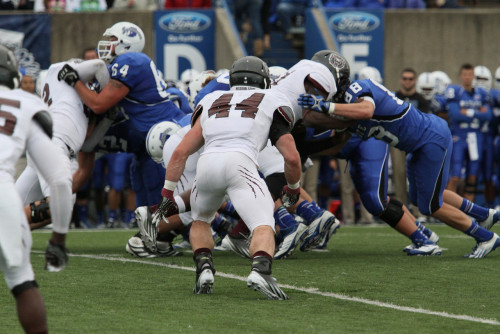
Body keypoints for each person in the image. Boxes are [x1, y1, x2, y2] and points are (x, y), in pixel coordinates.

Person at [297, 68, 500, 258]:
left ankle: (486, 237)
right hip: (418, 146)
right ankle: (484, 214)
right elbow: (341, 133)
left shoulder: (359, 89)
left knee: (431, 206)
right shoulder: (350, 109)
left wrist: (326, 106)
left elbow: (366, 111)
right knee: (420, 195)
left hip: (431, 139)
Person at [155, 56, 300, 299]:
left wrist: (168, 193)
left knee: (201, 219)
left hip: (207, 164)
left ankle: (204, 269)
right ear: (264, 80)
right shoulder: (272, 99)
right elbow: (292, 158)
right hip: (240, 164)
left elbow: (181, 152)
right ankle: (260, 270)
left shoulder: (211, 99)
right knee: (263, 224)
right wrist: (293, 188)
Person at [58, 21, 187, 208]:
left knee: (165, 202)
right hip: (145, 141)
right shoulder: (119, 65)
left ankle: (200, 230)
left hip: (162, 137)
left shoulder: (131, 61)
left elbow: (98, 104)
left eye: (112, 39)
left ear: (126, 43)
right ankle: (153, 236)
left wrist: (75, 81)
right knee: (144, 201)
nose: (107, 44)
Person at [0, 45, 72, 333]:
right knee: (21, 280)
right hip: (2, 195)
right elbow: (59, 180)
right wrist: (58, 238)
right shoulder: (26, 104)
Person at [16, 57, 109, 233]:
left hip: (44, 145)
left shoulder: (69, 95)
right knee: (60, 204)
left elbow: (87, 145)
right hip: (55, 145)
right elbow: (99, 65)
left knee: (11, 207)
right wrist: (106, 95)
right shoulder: (64, 71)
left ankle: (8, 230)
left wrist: (107, 119)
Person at [445, 63, 491, 202]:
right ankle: (448, 207)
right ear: (460, 76)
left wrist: (468, 112)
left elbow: (488, 115)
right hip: (459, 136)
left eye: (469, 75)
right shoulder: (455, 91)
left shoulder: (481, 93)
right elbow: (455, 114)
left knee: (472, 176)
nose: (467, 77)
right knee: (455, 176)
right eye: (464, 74)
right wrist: (477, 113)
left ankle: (468, 211)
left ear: (473, 76)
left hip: (476, 137)